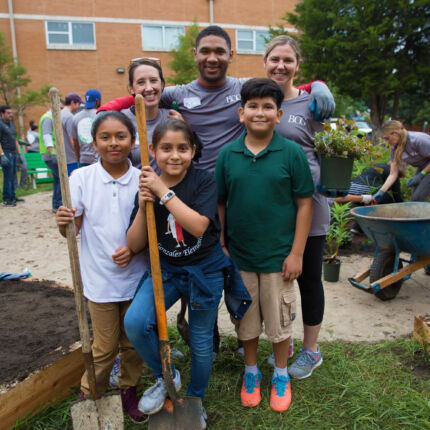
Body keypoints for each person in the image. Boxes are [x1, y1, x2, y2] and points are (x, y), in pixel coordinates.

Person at [124, 118, 249, 429]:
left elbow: (197, 226)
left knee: (201, 341)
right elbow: (135, 243)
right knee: (136, 322)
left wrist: (163, 192)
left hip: (205, 272)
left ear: (193, 151)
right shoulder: (146, 186)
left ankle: (195, 399)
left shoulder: (203, 182)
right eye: (166, 148)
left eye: (182, 148)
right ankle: (167, 377)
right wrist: (144, 205)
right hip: (166, 270)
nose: (174, 155)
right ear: (152, 150)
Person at [100, 26, 335, 172]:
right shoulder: (178, 94)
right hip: (194, 185)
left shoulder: (245, 88)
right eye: (205, 51)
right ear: (195, 54)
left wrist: (318, 86)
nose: (212, 58)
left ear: (230, 55)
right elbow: (142, 95)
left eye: (219, 52)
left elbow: (280, 87)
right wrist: (104, 111)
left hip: (235, 183)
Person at [216, 78, 314, 412]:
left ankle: (282, 374)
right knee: (246, 319)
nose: (260, 112)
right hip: (240, 257)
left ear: (279, 114)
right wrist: (222, 243)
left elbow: (304, 203)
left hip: (279, 259)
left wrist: (297, 252)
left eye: (268, 106)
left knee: (279, 320)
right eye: (253, 106)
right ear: (241, 113)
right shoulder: (228, 155)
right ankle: (252, 371)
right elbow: (221, 203)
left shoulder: (291, 153)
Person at [55, 111, 148, 424]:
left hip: (137, 277)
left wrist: (136, 248)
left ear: (132, 141)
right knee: (104, 346)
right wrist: (63, 222)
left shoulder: (143, 179)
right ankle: (91, 392)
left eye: (121, 136)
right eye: (105, 137)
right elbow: (74, 228)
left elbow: (153, 227)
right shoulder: (81, 179)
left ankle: (129, 389)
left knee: (133, 342)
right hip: (99, 280)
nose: (113, 143)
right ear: (93, 143)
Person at [262, 35, 328, 380]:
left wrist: (319, 86)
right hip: (274, 210)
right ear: (264, 61)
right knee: (278, 279)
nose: (280, 66)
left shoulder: (312, 105)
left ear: (297, 65)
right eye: (275, 59)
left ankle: (311, 349)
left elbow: (330, 151)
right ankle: (283, 340)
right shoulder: (259, 99)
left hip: (310, 206)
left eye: (288, 60)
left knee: (309, 279)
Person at [120, 58, 183, 170]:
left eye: (153, 80)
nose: (149, 88)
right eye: (141, 82)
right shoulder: (121, 121)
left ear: (162, 84)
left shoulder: (173, 118)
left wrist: (184, 129)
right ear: (131, 89)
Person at [374, 120, 430, 203]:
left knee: (417, 198)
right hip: (424, 167)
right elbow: (393, 174)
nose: (387, 142)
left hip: (426, 167)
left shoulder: (418, 140)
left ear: (395, 133)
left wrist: (421, 175)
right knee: (415, 199)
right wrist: (381, 192)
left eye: (387, 138)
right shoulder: (395, 148)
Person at [70, 89, 102, 167]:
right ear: (97, 101)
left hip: (83, 160)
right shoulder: (101, 115)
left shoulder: (76, 117)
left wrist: (78, 159)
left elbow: (75, 143)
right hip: (99, 160)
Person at [0, 105, 24, 206]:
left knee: (13, 175)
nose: (10, 115)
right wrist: (2, 155)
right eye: (8, 113)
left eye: (11, 113)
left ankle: (13, 196)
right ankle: (7, 199)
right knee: (8, 176)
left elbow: (15, 139)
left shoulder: (11, 123)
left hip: (13, 153)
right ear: (2, 113)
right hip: (6, 153)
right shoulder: (0, 124)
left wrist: (19, 153)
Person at [62, 92, 83, 175]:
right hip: (71, 157)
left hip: (63, 156)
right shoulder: (69, 117)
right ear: (72, 103)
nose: (79, 106)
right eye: (78, 103)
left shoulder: (60, 114)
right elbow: (72, 138)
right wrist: (78, 153)